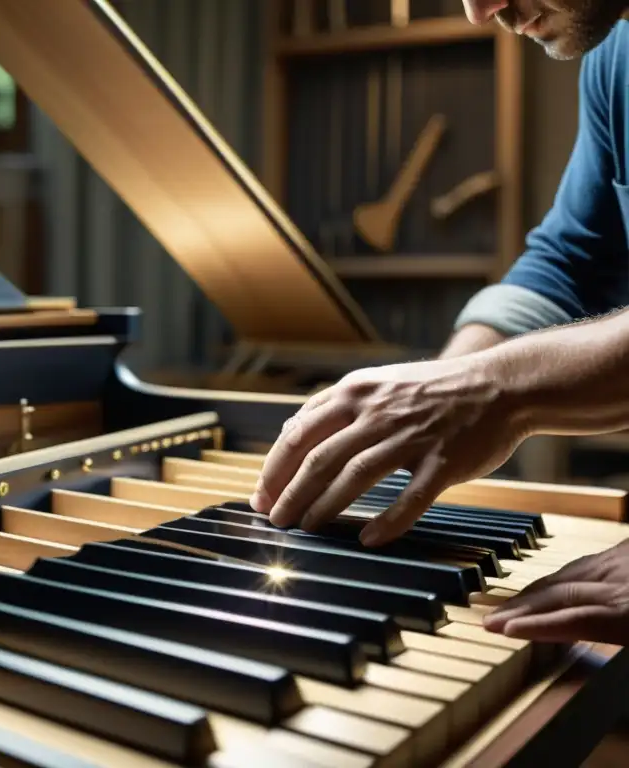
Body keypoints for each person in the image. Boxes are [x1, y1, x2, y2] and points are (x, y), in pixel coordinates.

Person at [251, 0, 629, 645]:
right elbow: (567, 264)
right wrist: (442, 390)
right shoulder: (614, 58)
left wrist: (497, 390)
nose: (481, 11)